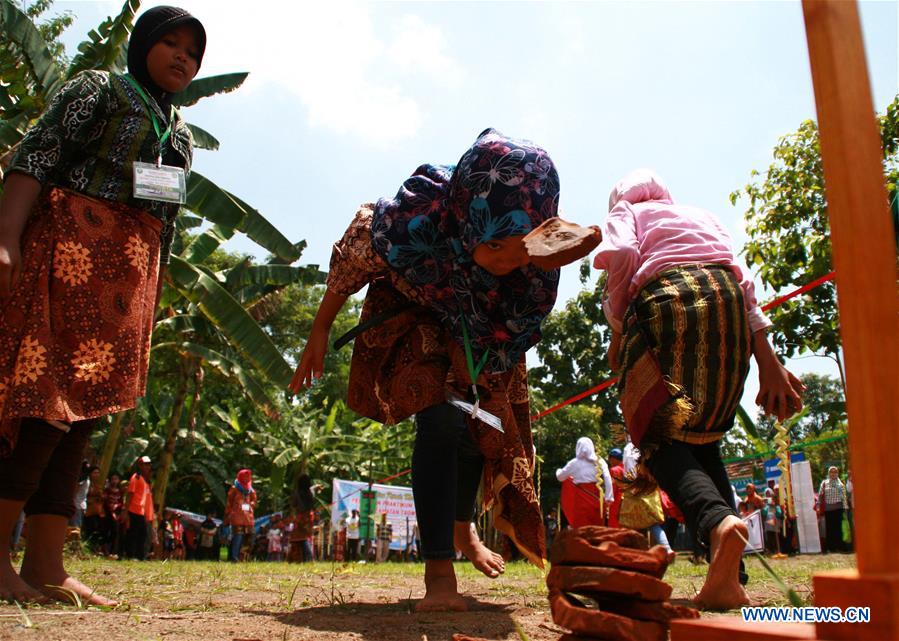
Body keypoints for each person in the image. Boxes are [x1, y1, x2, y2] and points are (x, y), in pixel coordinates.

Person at [289, 129, 576, 611]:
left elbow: (522, 322)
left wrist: (480, 368)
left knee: (475, 424)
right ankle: (439, 573)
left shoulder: (539, 261)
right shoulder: (415, 221)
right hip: (416, 305)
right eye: (497, 244)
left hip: (486, 330)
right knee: (440, 418)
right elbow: (358, 246)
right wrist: (319, 329)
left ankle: (462, 530)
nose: (509, 260)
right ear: (469, 218)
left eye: (522, 245)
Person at [0, 5, 205, 604]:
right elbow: (36, 155)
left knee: (82, 419)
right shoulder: (100, 89)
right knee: (45, 405)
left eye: (192, 52)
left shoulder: (182, 135)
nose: (181, 58)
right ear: (142, 42)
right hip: (70, 256)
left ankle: (45, 564)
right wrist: (5, 239)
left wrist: (150, 290)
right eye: (169, 42)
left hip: (127, 280)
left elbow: (164, 220)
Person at [593, 169, 804, 610]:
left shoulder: (626, 212)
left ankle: (716, 523)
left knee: (655, 434)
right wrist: (769, 362)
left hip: (666, 301)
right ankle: (730, 574)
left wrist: (617, 327)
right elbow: (741, 282)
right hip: (726, 305)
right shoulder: (700, 217)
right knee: (703, 440)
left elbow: (623, 253)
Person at [555, 437, 614, 528]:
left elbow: (560, 477)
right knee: (597, 527)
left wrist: (558, 471)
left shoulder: (574, 463)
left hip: (581, 498)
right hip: (597, 497)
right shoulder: (600, 461)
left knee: (582, 527)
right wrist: (609, 497)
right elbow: (607, 477)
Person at [123, 456, 155, 561]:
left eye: (149, 464)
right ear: (140, 465)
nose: (147, 466)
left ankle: (139, 556)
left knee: (142, 534)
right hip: (134, 509)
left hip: (141, 512)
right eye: (145, 464)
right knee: (133, 533)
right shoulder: (136, 477)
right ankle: (131, 555)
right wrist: (125, 510)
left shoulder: (146, 482)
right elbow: (130, 494)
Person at [224, 469, 256, 562]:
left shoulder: (251, 489)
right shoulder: (234, 488)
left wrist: (251, 504)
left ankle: (244, 557)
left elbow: (254, 501)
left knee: (249, 538)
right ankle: (234, 557)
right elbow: (229, 503)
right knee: (237, 537)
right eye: (245, 476)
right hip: (237, 517)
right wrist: (228, 514)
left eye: (248, 476)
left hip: (248, 518)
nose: (246, 478)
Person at [818, 466, 848, 553]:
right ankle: (831, 548)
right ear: (829, 473)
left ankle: (841, 547)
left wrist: (845, 508)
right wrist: (818, 506)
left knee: (839, 528)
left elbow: (844, 497)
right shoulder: (824, 483)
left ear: (837, 473)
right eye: (831, 472)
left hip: (838, 509)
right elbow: (820, 495)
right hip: (828, 510)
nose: (833, 473)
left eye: (835, 472)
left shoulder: (840, 484)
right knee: (830, 529)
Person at [81, 467, 105, 552]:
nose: (97, 475)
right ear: (90, 474)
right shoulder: (86, 484)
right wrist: (92, 500)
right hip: (88, 511)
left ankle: (94, 548)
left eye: (98, 473)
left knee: (98, 530)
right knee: (89, 529)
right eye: (95, 473)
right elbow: (83, 496)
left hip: (97, 512)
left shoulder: (98, 485)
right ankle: (86, 547)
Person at [102, 473, 124, 557]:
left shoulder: (119, 492)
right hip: (107, 513)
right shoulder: (107, 490)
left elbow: (121, 502)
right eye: (113, 479)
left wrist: (117, 507)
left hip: (116, 515)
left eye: (116, 479)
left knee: (114, 531)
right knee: (106, 531)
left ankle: (111, 551)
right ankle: (104, 549)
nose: (114, 481)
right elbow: (105, 499)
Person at [606, 448, 625, 528]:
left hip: (616, 502)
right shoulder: (625, 468)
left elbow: (612, 489)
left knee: (614, 526)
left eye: (610, 459)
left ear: (613, 458)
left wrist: (607, 503)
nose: (609, 462)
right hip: (626, 502)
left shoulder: (614, 470)